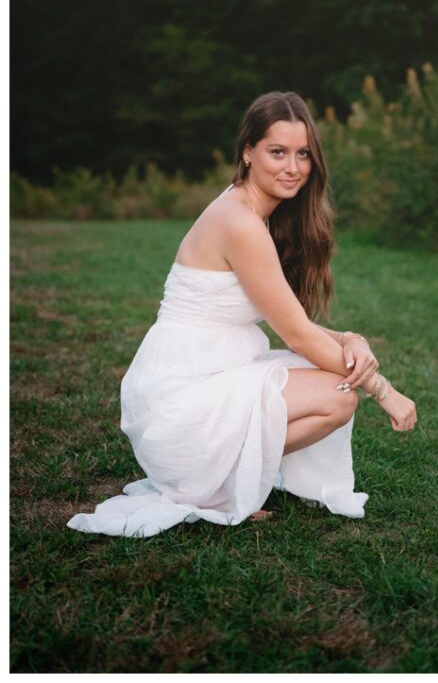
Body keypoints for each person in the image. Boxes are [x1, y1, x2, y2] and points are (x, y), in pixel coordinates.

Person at [68, 91, 417, 538]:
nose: (293, 167)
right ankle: (220, 479)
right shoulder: (239, 222)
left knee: (328, 383)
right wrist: (384, 390)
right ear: (248, 152)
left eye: (303, 154)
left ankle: (229, 475)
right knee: (340, 396)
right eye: (278, 152)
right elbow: (296, 334)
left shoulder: (254, 213)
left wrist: (351, 337)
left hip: (209, 375)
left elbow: (296, 323)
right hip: (180, 404)